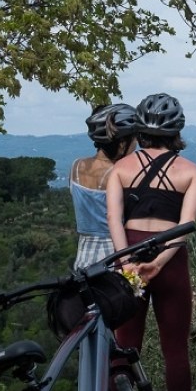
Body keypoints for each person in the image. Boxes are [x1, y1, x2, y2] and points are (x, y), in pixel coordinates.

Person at [106, 92, 196, 391]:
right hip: (170, 262)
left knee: (124, 345)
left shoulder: (120, 169)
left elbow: (113, 219)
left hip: (129, 258)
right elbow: (185, 225)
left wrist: (126, 262)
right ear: (176, 131)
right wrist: (158, 263)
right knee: (175, 348)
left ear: (140, 131)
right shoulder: (190, 171)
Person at [70, 103, 140, 269]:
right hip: (115, 255)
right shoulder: (120, 174)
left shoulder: (76, 166)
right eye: (134, 138)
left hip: (83, 257)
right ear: (122, 143)